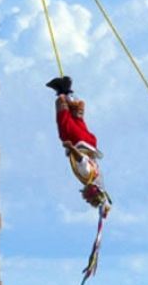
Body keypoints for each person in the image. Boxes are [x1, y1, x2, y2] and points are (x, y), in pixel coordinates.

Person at [47, 76, 110, 213]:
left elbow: (103, 195)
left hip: (90, 142)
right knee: (64, 125)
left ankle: (68, 92)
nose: (85, 198)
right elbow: (81, 159)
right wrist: (70, 148)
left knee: (78, 118)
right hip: (79, 142)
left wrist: (103, 205)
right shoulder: (87, 175)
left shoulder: (98, 179)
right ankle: (62, 93)